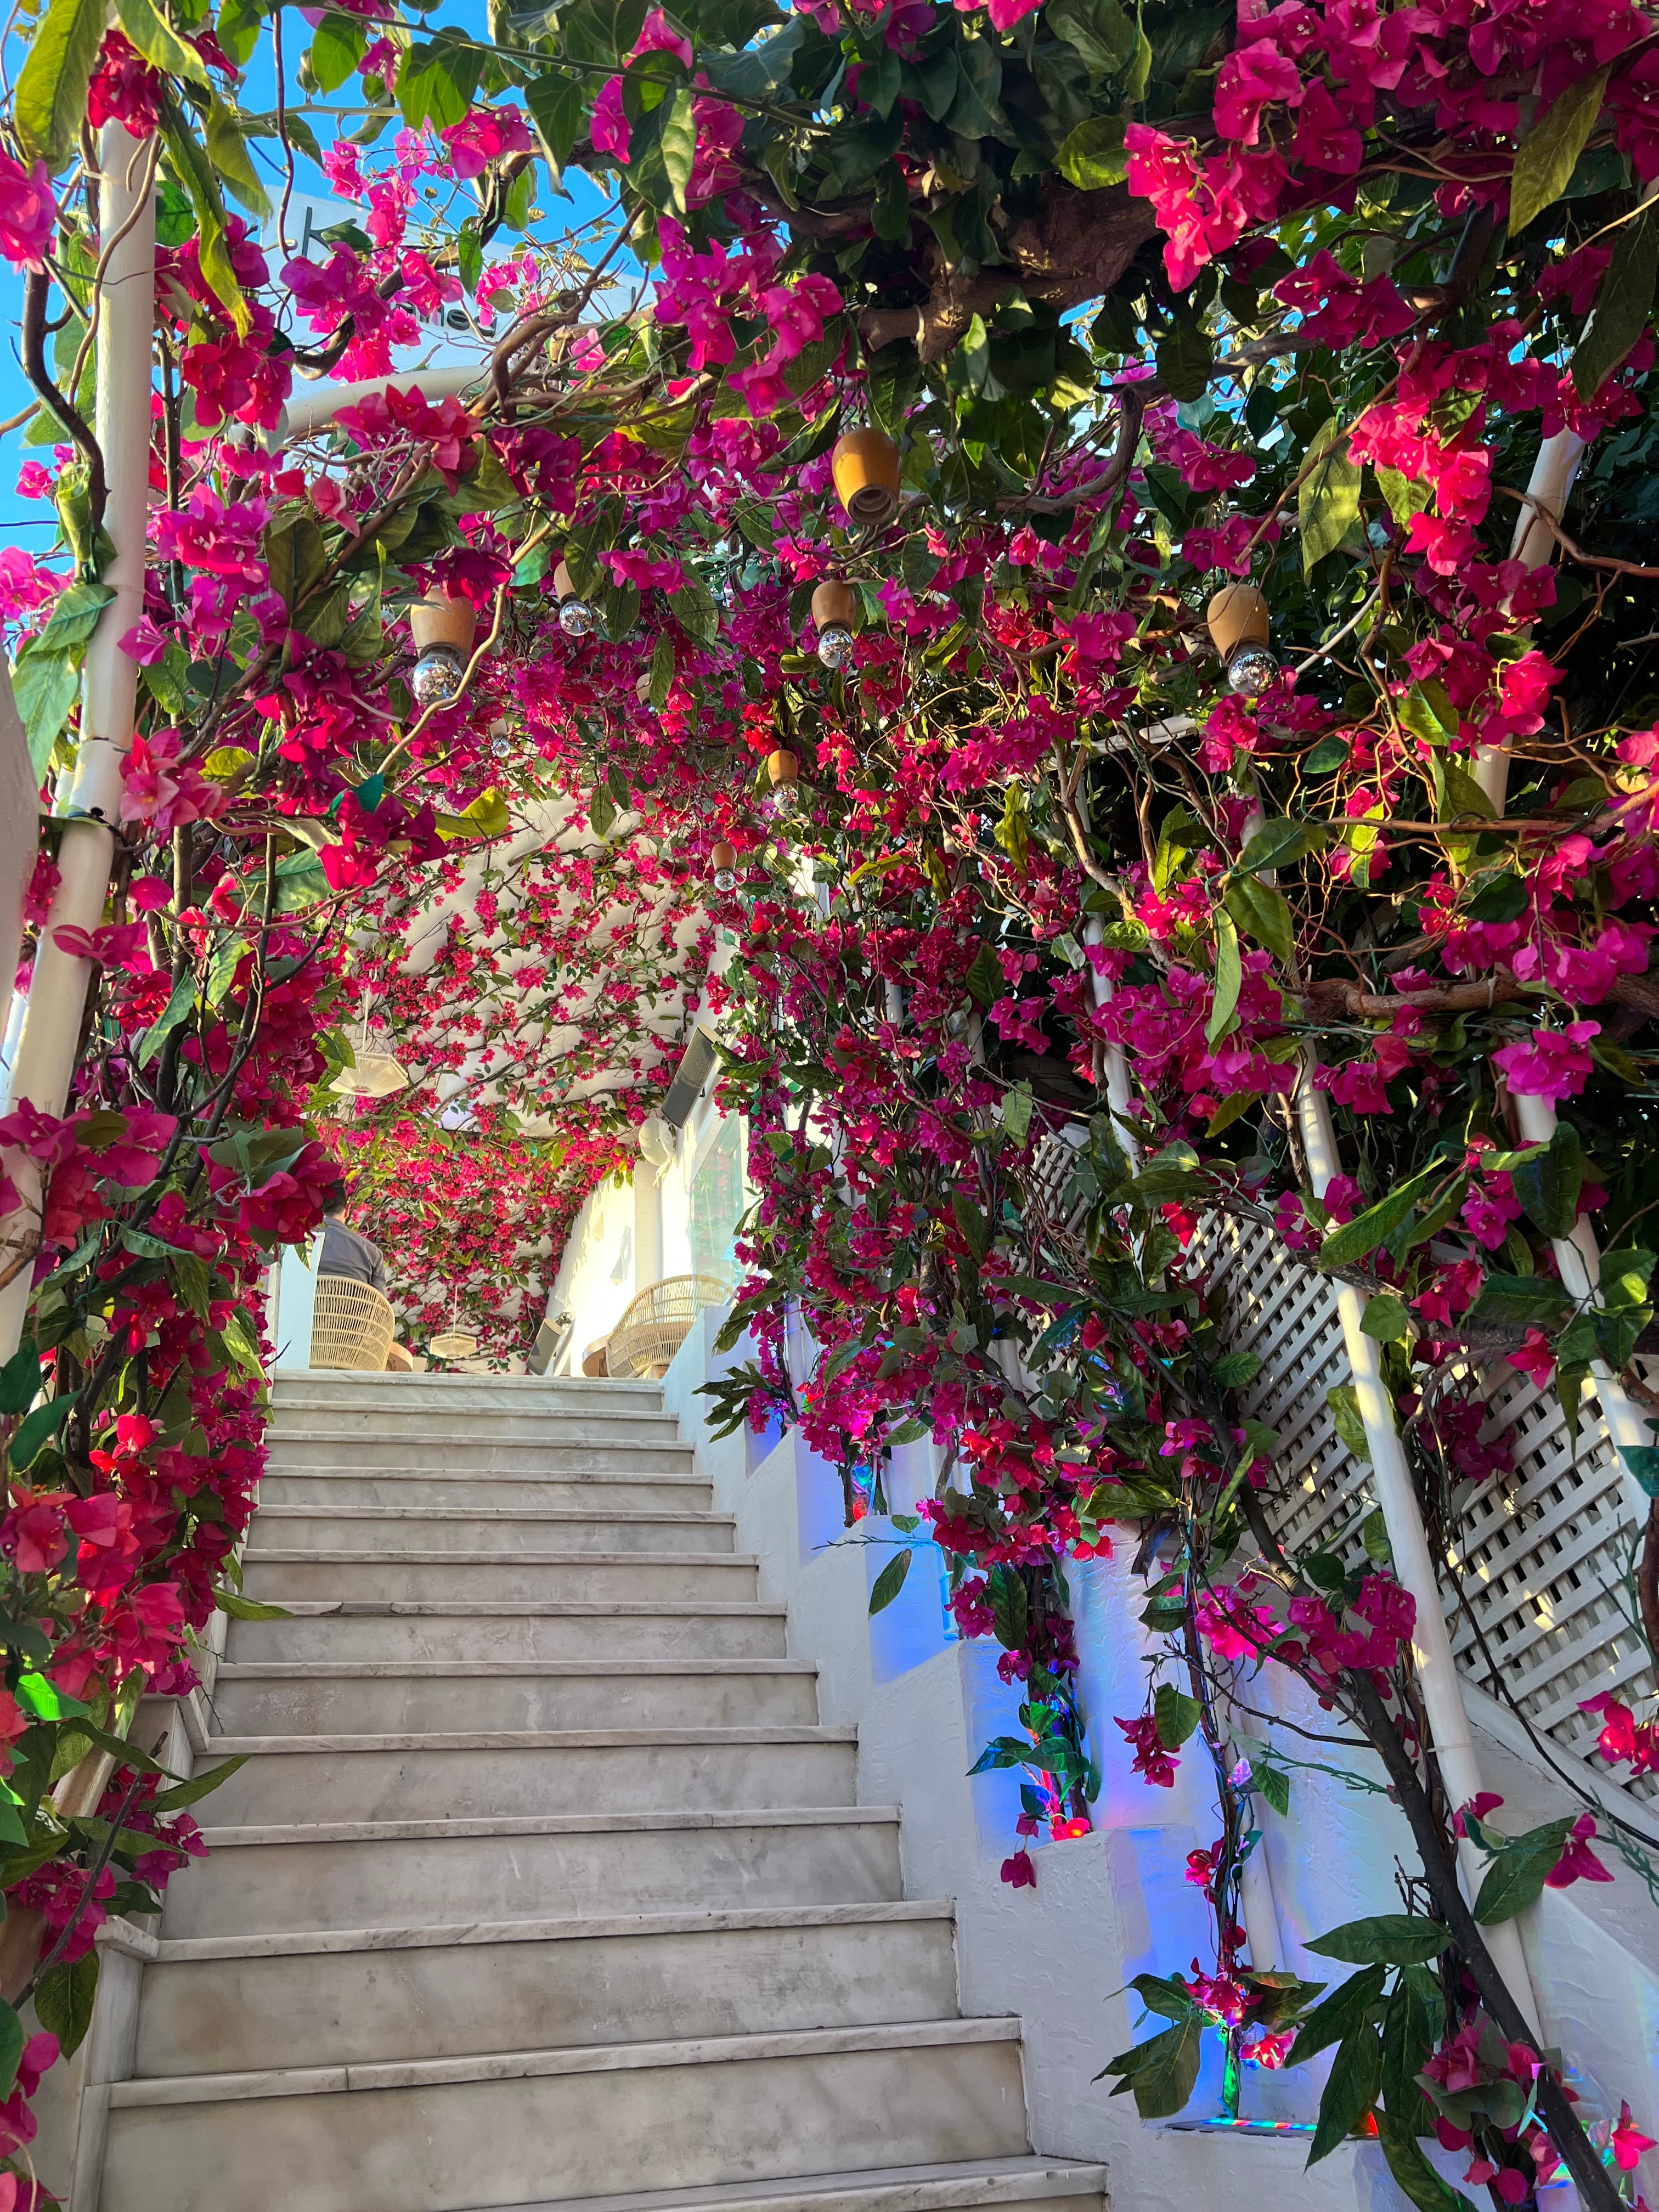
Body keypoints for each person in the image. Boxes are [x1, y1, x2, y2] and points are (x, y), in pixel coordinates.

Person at [319, 1191, 390, 1295]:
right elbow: (379, 1302)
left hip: (301, 1310)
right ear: (347, 1211)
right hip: (351, 1311)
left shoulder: (296, 1244)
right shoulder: (372, 1252)